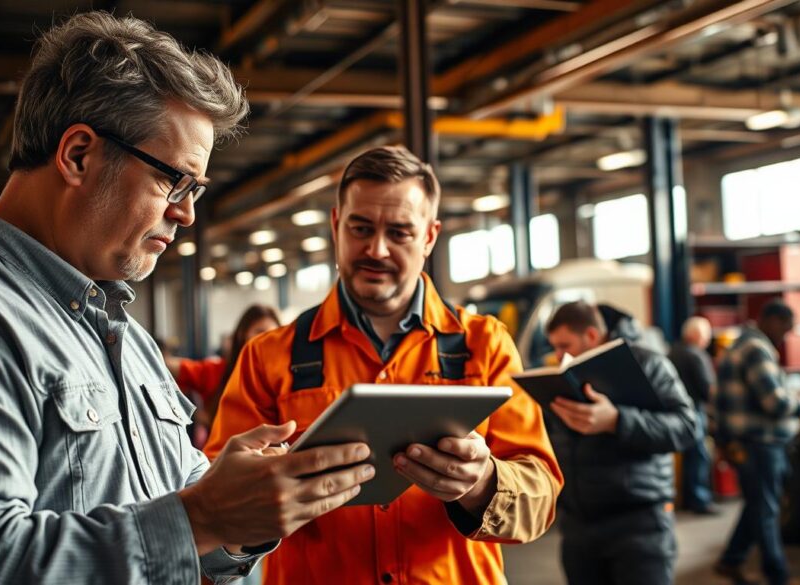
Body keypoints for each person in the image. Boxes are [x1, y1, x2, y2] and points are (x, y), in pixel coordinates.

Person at [0, 12, 376, 584]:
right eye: (175, 181)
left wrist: (239, 517)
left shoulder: (123, 334)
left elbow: (178, 522)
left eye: (196, 190)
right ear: (77, 155)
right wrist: (200, 517)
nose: (188, 213)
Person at [205, 145, 564, 585]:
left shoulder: (484, 346)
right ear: (336, 224)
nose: (376, 249)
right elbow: (215, 511)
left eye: (399, 233)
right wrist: (258, 504)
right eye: (361, 228)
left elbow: (541, 498)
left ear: (430, 237)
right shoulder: (268, 357)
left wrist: (483, 482)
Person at [544, 301, 699, 585]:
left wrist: (617, 420)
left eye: (564, 345)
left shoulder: (649, 363)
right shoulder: (562, 377)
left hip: (639, 525)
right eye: (554, 347)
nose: (558, 356)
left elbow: (687, 428)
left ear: (591, 335)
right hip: (579, 526)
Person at [713, 300, 800, 585]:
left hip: (746, 441)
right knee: (766, 510)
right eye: (784, 329)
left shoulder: (740, 344)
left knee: (757, 504)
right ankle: (778, 576)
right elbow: (774, 402)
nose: (784, 336)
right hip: (760, 442)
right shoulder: (757, 349)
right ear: (772, 320)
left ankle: (731, 560)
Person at [166, 303, 282, 443]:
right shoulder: (217, 371)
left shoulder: (282, 376)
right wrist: (193, 414)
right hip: (219, 459)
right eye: (259, 332)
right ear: (242, 335)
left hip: (268, 458)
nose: (266, 339)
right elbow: (168, 365)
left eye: (273, 334)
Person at [668, 316, 718, 514]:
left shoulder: (673, 352)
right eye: (705, 336)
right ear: (696, 335)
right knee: (699, 455)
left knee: (689, 456)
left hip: (676, 412)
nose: (707, 340)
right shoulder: (696, 355)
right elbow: (707, 389)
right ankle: (700, 500)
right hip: (694, 411)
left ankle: (688, 498)